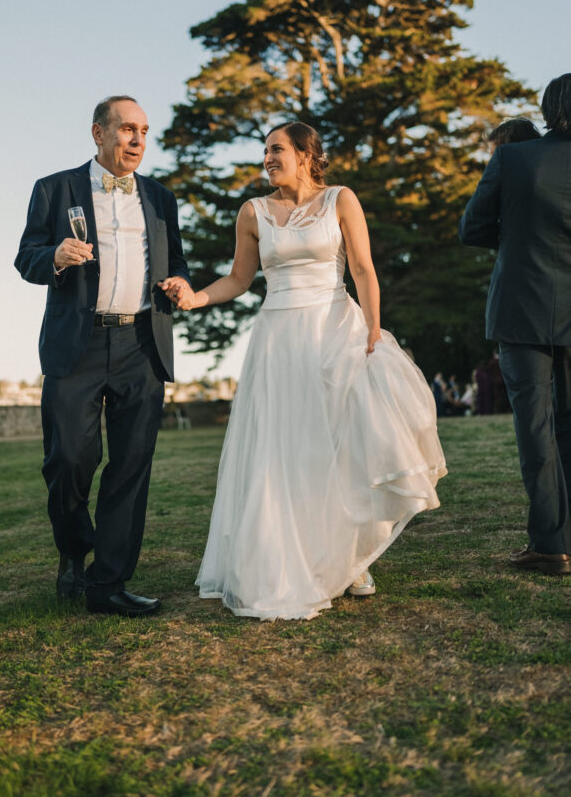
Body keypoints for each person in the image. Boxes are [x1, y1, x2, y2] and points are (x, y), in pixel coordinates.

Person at [161, 122, 446, 620]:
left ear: (306, 155)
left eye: (277, 149)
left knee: (342, 444)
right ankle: (290, 557)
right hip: (278, 340)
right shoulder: (252, 212)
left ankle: (351, 558)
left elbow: (362, 269)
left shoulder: (341, 200)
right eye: (265, 150)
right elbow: (239, 278)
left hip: (335, 330)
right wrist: (195, 297)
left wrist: (373, 330)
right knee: (285, 448)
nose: (268, 158)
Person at [15, 95, 191, 615]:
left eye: (144, 131)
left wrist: (180, 283)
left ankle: (108, 583)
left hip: (142, 343)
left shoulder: (160, 198)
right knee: (69, 459)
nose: (137, 140)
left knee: (132, 464)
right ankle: (74, 549)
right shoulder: (54, 189)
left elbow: (176, 261)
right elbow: (26, 257)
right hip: (78, 343)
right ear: (99, 133)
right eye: (127, 129)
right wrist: (54, 256)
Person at [459, 74, 571, 575]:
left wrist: (519, 235)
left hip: (522, 307)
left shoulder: (513, 158)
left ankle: (551, 545)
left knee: (535, 426)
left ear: (548, 108)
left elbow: (473, 228)